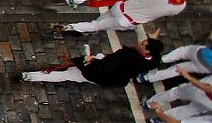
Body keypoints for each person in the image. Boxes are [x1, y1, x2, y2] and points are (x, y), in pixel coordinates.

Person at [22, 34, 163, 87]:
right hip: (112, 79)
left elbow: (107, 66)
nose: (139, 43)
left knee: (66, 75)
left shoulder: (125, 55)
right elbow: (156, 60)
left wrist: (90, 60)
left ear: (146, 51)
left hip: (97, 71)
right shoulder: (150, 61)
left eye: (143, 44)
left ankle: (30, 77)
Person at [63, 0, 199, 34]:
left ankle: (82, 28)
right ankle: (71, 27)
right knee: (96, 26)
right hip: (127, 21)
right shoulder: (179, 8)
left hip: (120, 7)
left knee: (100, 21)